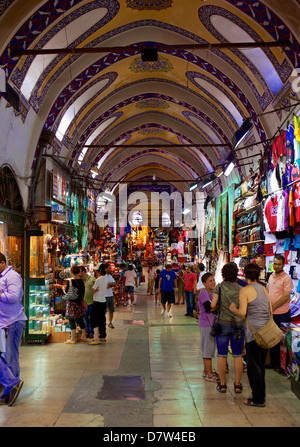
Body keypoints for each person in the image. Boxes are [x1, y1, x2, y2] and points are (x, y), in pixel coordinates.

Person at [230, 263, 271, 407]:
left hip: (253, 333)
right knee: (261, 365)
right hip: (265, 331)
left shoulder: (245, 290)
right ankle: (261, 396)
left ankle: (257, 399)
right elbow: (270, 309)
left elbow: (242, 313)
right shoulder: (264, 288)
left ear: (245, 275)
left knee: (253, 367)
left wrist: (234, 308)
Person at [211, 262, 245, 394]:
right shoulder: (241, 289)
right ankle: (237, 385)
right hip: (237, 325)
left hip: (222, 325)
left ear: (223, 273)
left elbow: (213, 305)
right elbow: (243, 309)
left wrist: (220, 306)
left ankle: (223, 384)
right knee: (237, 355)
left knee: (221, 354)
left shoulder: (219, 287)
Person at [0, 253, 27, 406]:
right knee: (5, 357)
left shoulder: (12, 276)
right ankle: (12, 384)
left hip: (13, 322)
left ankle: (9, 391)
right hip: (3, 323)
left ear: (2, 262)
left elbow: (14, 297)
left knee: (11, 357)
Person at [266, 254, 293, 370]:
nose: (276, 266)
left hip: (282, 314)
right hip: (272, 313)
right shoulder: (271, 276)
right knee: (273, 338)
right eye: (275, 264)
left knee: (281, 340)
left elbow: (286, 296)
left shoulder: (286, 278)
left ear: (283, 264)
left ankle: (282, 364)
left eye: (279, 264)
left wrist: (274, 306)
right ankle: (274, 362)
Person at [198, 272, 219, 383]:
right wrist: (219, 308)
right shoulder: (204, 293)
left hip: (210, 323)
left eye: (213, 280)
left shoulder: (211, 292)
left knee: (208, 348)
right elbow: (208, 308)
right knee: (208, 349)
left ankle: (206, 371)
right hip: (206, 324)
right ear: (204, 283)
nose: (213, 282)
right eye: (210, 281)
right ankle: (209, 374)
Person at [64, 265, 87, 344]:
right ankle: (84, 336)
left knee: (71, 320)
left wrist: (64, 289)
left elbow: (67, 293)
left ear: (71, 272)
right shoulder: (81, 281)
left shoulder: (70, 282)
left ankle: (73, 339)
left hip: (72, 304)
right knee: (80, 319)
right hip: (79, 303)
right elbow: (82, 293)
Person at [90, 264, 109, 345]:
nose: (96, 272)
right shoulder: (106, 279)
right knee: (102, 319)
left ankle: (96, 338)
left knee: (94, 319)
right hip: (103, 301)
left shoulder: (98, 280)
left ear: (100, 271)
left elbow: (93, 290)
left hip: (97, 301)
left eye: (97, 271)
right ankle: (103, 336)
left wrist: (95, 290)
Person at [78, 266, 96, 338]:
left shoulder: (92, 279)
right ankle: (86, 333)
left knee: (90, 318)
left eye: (79, 272)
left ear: (84, 271)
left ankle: (91, 332)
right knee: (84, 318)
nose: (78, 273)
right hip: (83, 303)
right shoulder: (78, 280)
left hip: (91, 302)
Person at [105, 264, 116, 329]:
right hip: (105, 296)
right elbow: (107, 286)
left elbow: (114, 284)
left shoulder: (110, 276)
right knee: (104, 311)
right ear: (105, 269)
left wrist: (110, 284)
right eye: (109, 268)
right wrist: (111, 284)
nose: (110, 269)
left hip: (110, 295)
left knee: (111, 310)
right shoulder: (104, 277)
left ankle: (110, 322)